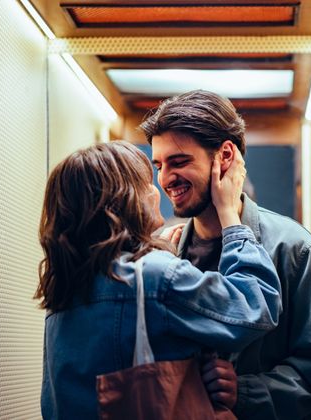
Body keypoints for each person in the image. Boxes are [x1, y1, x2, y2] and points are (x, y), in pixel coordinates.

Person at [35, 141, 282, 419]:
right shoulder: (155, 277)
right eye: (146, 181)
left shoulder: (64, 287)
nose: (158, 188)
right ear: (124, 200)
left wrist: (153, 253)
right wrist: (229, 216)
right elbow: (255, 305)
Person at [141, 90, 311, 419]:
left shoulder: (294, 248)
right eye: (159, 165)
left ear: (225, 156)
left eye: (179, 162)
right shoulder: (164, 252)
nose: (165, 179)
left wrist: (246, 392)